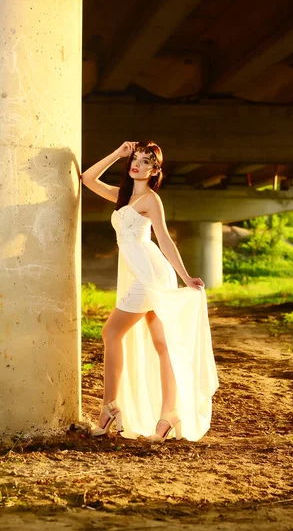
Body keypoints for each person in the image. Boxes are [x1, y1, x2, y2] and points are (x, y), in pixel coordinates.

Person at [81, 140, 219, 442]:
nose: (137, 165)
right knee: (162, 344)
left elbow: (165, 239)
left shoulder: (151, 200)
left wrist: (185, 276)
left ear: (155, 170)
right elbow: (87, 179)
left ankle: (109, 408)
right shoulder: (123, 196)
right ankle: (168, 414)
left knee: (111, 334)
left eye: (146, 162)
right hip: (140, 273)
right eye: (136, 159)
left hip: (150, 274)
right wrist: (117, 153)